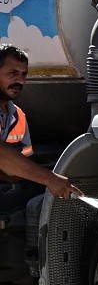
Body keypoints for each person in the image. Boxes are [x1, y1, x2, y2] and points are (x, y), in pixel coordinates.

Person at [0, 44, 78, 212]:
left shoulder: (18, 116)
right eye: (12, 73)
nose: (20, 80)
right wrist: (50, 179)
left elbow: (25, 164)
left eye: (23, 74)